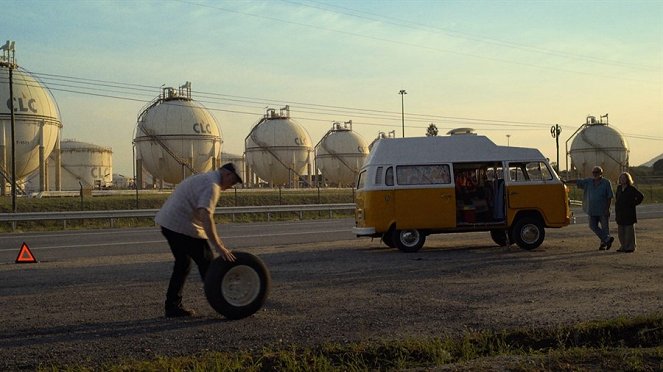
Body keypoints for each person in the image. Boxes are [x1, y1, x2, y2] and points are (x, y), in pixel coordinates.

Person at [155, 163, 243, 317]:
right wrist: (219, 246)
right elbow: (206, 215)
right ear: (227, 174)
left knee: (183, 264)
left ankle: (172, 306)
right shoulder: (212, 186)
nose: (231, 187)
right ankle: (226, 305)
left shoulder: (204, 177)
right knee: (208, 264)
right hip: (181, 226)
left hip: (169, 223)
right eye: (233, 182)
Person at [565, 166, 614, 250]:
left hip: (603, 209)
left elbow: (610, 196)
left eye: (597, 172)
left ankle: (604, 243)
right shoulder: (589, 181)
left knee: (605, 228)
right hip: (592, 209)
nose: (595, 174)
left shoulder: (606, 182)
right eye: (594, 172)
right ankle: (607, 239)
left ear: (601, 173)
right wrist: (566, 181)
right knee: (592, 225)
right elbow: (578, 181)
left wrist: (607, 209)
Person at [614, 172, 644, 253]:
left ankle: (630, 247)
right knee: (621, 232)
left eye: (624, 178)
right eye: (621, 178)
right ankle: (623, 246)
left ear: (627, 179)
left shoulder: (631, 188)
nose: (622, 180)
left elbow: (641, 196)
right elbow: (617, 198)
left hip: (629, 213)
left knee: (629, 231)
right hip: (620, 213)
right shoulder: (619, 188)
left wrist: (633, 203)